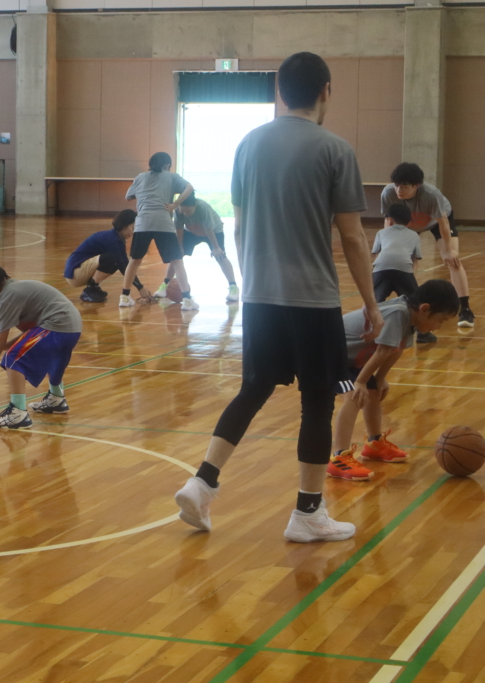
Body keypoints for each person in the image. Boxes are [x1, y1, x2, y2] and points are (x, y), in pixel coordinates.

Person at [173, 52, 383, 544]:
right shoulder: (336, 149)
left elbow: (241, 227)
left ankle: (202, 481)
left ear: (279, 93)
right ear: (326, 91)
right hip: (312, 300)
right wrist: (371, 304)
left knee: (254, 389)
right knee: (317, 402)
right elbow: (353, 237)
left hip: (261, 297)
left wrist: (254, 285)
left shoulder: (247, 145)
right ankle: (307, 513)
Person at [327, 280, 458, 481]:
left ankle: (374, 444)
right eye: (440, 320)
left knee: (372, 393)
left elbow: (395, 351)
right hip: (330, 356)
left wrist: (379, 379)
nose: (439, 327)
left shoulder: (411, 318)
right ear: (425, 309)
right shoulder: (398, 313)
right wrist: (361, 382)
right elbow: (382, 351)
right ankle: (339, 457)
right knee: (355, 396)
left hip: (353, 360)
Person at [0, 259, 82, 430]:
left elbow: (0, 340)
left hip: (56, 325)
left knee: (13, 358)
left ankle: (18, 412)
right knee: (53, 358)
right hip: (72, 327)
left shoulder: (6, 297)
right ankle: (56, 398)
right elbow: (30, 330)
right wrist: (13, 343)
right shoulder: (14, 288)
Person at [381, 162, 472, 330]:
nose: (399, 190)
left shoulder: (431, 194)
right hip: (408, 224)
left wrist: (449, 250)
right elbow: (390, 220)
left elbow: (443, 222)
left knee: (453, 260)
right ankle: (411, 305)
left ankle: (465, 309)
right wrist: (389, 246)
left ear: (416, 186)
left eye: (404, 187)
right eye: (397, 186)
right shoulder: (388, 193)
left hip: (437, 222)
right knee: (407, 260)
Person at [120, 152, 197, 310]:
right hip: (163, 223)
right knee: (177, 261)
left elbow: (128, 196)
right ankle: (187, 300)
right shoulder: (171, 176)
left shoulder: (140, 176)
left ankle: (125, 297)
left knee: (134, 260)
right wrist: (175, 204)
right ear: (167, 165)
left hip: (143, 223)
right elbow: (190, 187)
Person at [64, 209, 150, 303]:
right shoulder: (112, 240)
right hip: (74, 273)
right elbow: (124, 268)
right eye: (133, 228)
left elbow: (126, 265)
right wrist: (140, 288)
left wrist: (139, 286)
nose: (133, 233)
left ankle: (94, 287)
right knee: (114, 259)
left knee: (117, 260)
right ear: (124, 226)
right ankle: (90, 289)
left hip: (78, 271)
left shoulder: (116, 239)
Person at [168, 195, 239, 303]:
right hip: (191, 231)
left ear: (194, 206)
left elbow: (208, 228)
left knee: (220, 256)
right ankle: (164, 285)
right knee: (176, 256)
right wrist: (180, 247)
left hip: (213, 232)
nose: (185, 214)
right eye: (183, 212)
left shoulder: (203, 208)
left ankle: (233, 288)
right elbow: (179, 228)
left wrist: (215, 247)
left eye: (188, 212)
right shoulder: (178, 210)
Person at [372, 203, 425, 321]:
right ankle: (422, 333)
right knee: (414, 302)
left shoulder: (381, 233)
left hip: (381, 268)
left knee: (374, 302)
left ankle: (368, 329)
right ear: (409, 222)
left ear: (389, 220)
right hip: (404, 269)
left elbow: (377, 254)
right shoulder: (414, 235)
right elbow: (414, 259)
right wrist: (411, 277)